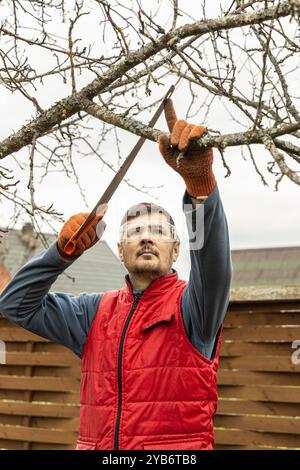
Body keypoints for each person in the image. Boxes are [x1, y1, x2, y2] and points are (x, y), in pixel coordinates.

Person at [0, 99, 233, 450]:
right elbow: (16, 305)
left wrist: (201, 187)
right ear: (120, 251)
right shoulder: (94, 313)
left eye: (158, 231)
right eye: (135, 232)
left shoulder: (194, 309)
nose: (146, 237)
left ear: (176, 250)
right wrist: (60, 254)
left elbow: (213, 264)